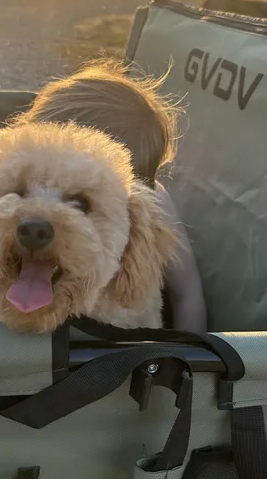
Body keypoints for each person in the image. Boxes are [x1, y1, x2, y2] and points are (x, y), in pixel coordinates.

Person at [11, 59, 207, 332]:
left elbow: (187, 294)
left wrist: (189, 361)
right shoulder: (13, 184)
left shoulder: (155, 204)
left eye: (80, 202)